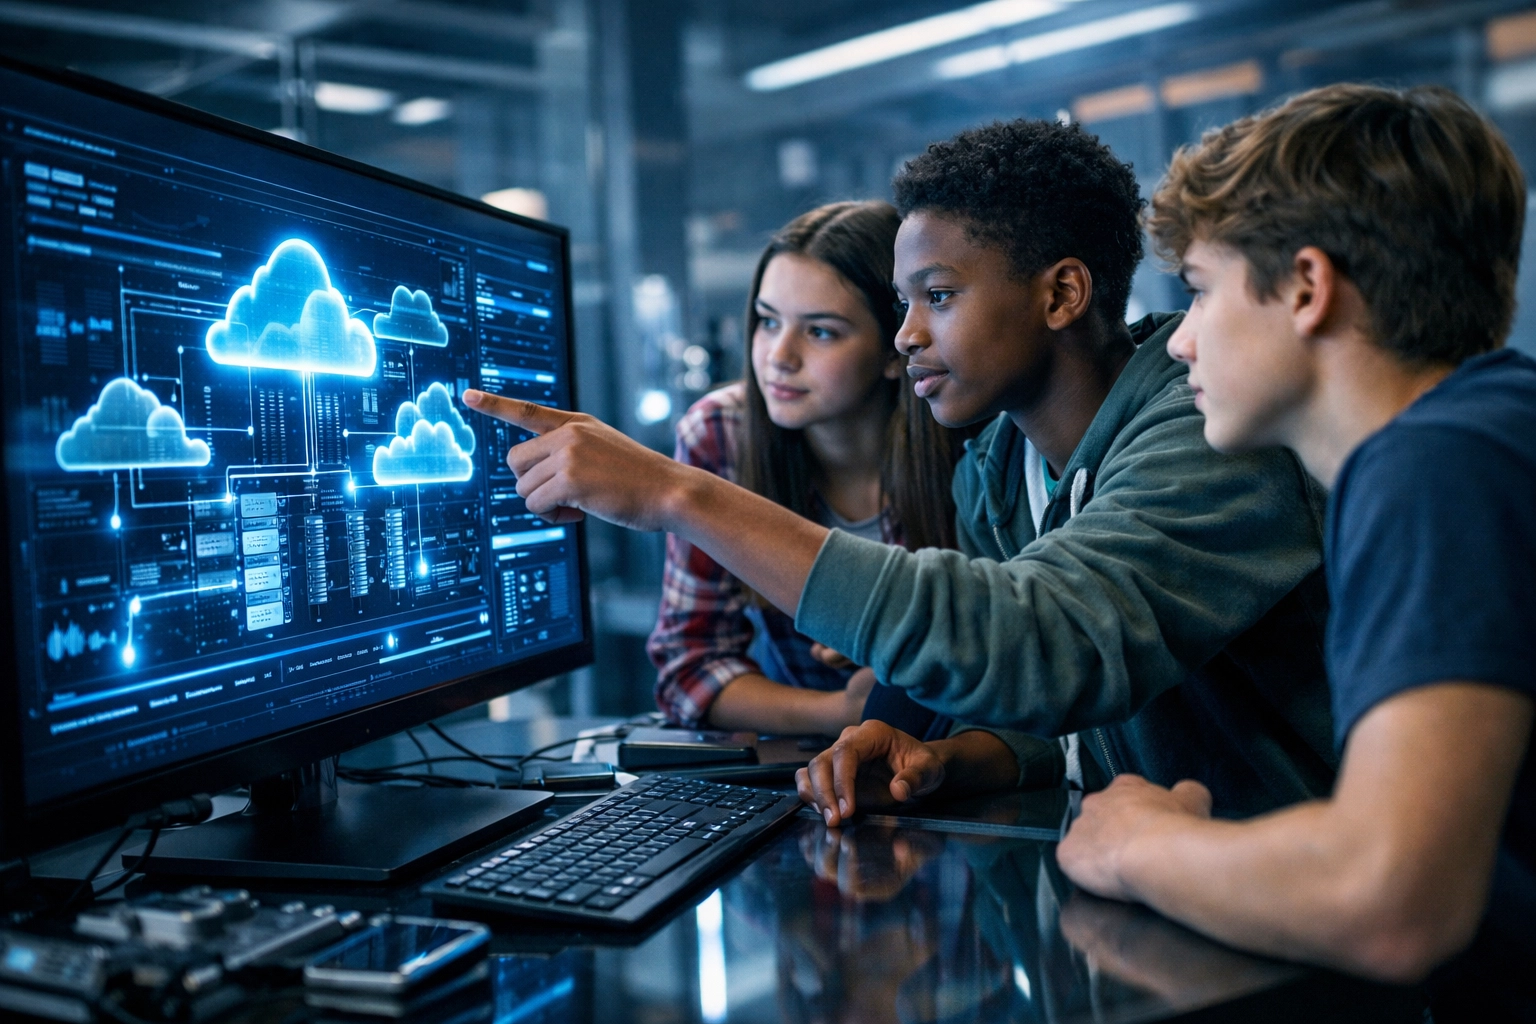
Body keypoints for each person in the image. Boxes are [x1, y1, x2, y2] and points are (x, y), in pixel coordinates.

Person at [460, 118, 1337, 825]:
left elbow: (1050, 646)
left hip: (1300, 924)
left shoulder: (1208, 428)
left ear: (1062, 295)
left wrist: (675, 494)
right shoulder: (1000, 471)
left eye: (939, 296)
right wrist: (953, 760)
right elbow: (1087, 726)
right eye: (903, 303)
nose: (909, 333)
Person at [1052, 85, 1535, 1020]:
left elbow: (1388, 900)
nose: (1181, 341)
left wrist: (1133, 844)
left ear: (1308, 288)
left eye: (1198, 288)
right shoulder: (1483, 432)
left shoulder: (1438, 465)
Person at [648, 200, 976, 735]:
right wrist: (844, 715)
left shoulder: (971, 438)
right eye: (767, 321)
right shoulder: (721, 432)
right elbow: (690, 668)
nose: (779, 355)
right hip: (813, 762)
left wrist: (907, 660)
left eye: (820, 331)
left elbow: (1017, 651)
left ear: (896, 349)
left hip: (956, 759)